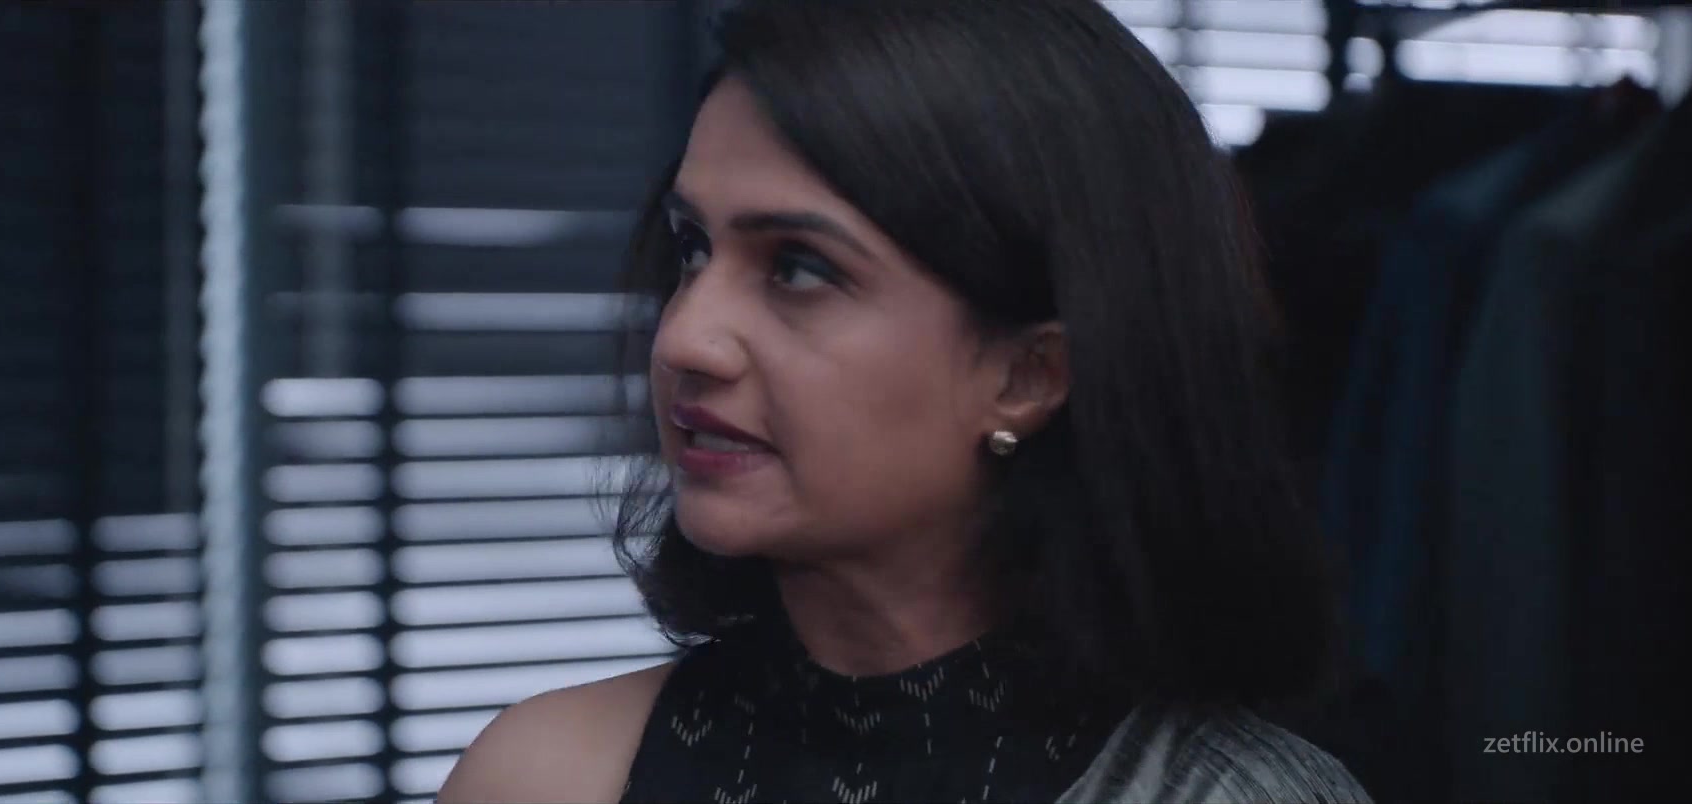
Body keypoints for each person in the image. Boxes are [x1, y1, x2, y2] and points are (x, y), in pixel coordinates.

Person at [441, 0, 1372, 801]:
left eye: (799, 268)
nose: (685, 338)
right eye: (693, 249)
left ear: (1028, 375)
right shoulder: (545, 776)